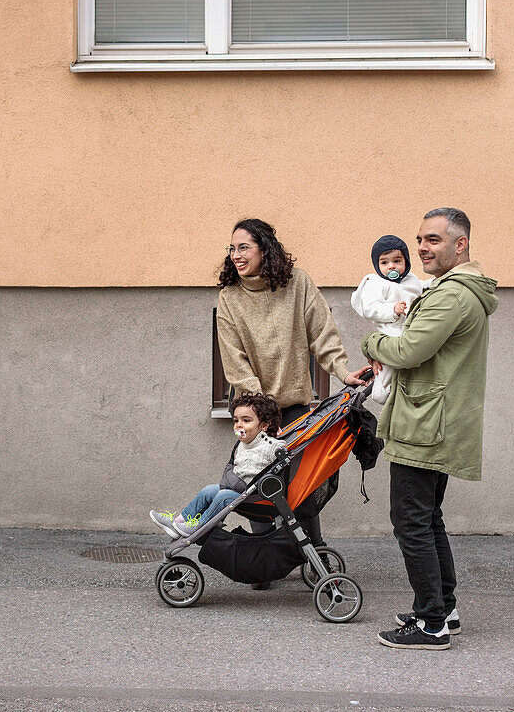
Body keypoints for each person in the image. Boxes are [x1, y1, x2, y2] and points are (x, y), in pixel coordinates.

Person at [362, 207, 498, 650]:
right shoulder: (458, 291)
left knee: (411, 521)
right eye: (419, 239)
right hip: (435, 418)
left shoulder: (449, 296)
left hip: (423, 424)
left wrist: (370, 342)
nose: (421, 247)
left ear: (460, 244)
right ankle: (443, 608)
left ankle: (430, 623)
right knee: (428, 518)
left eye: (433, 240)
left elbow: (408, 349)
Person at [216, 218, 370, 589]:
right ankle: (262, 561)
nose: (236, 256)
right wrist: (260, 411)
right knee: (256, 481)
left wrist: (343, 371)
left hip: (296, 406)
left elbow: (323, 334)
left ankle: (314, 551)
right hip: (256, 411)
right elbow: (234, 360)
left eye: (243, 248)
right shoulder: (230, 298)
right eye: (232, 249)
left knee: (301, 484)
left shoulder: (297, 284)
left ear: (264, 248)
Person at [149, 393, 285, 538]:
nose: (239, 425)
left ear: (264, 425)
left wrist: (278, 443)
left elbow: (282, 450)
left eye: (246, 420)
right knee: (208, 490)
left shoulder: (270, 445)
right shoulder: (242, 444)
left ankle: (198, 526)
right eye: (236, 420)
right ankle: (178, 522)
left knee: (224, 495)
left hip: (255, 496)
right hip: (238, 490)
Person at [350, 235, 430, 405]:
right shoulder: (376, 283)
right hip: (390, 330)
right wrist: (392, 310)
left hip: (410, 330)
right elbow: (371, 308)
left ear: (406, 263)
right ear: (377, 265)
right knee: (388, 367)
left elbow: (422, 286)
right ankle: (381, 394)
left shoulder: (411, 280)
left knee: (407, 368)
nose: (391, 266)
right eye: (384, 262)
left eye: (397, 260)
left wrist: (436, 282)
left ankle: (403, 396)